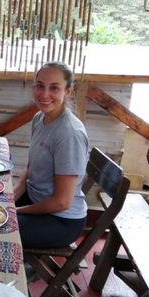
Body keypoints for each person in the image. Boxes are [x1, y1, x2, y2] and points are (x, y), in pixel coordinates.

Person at [13, 61, 89, 249]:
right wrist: (11, 197)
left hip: (61, 220)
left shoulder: (69, 134)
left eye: (54, 88)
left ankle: (15, 273)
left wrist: (15, 211)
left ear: (68, 91)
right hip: (36, 199)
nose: (44, 94)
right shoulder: (40, 118)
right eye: (40, 86)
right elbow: (30, 170)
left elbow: (62, 202)